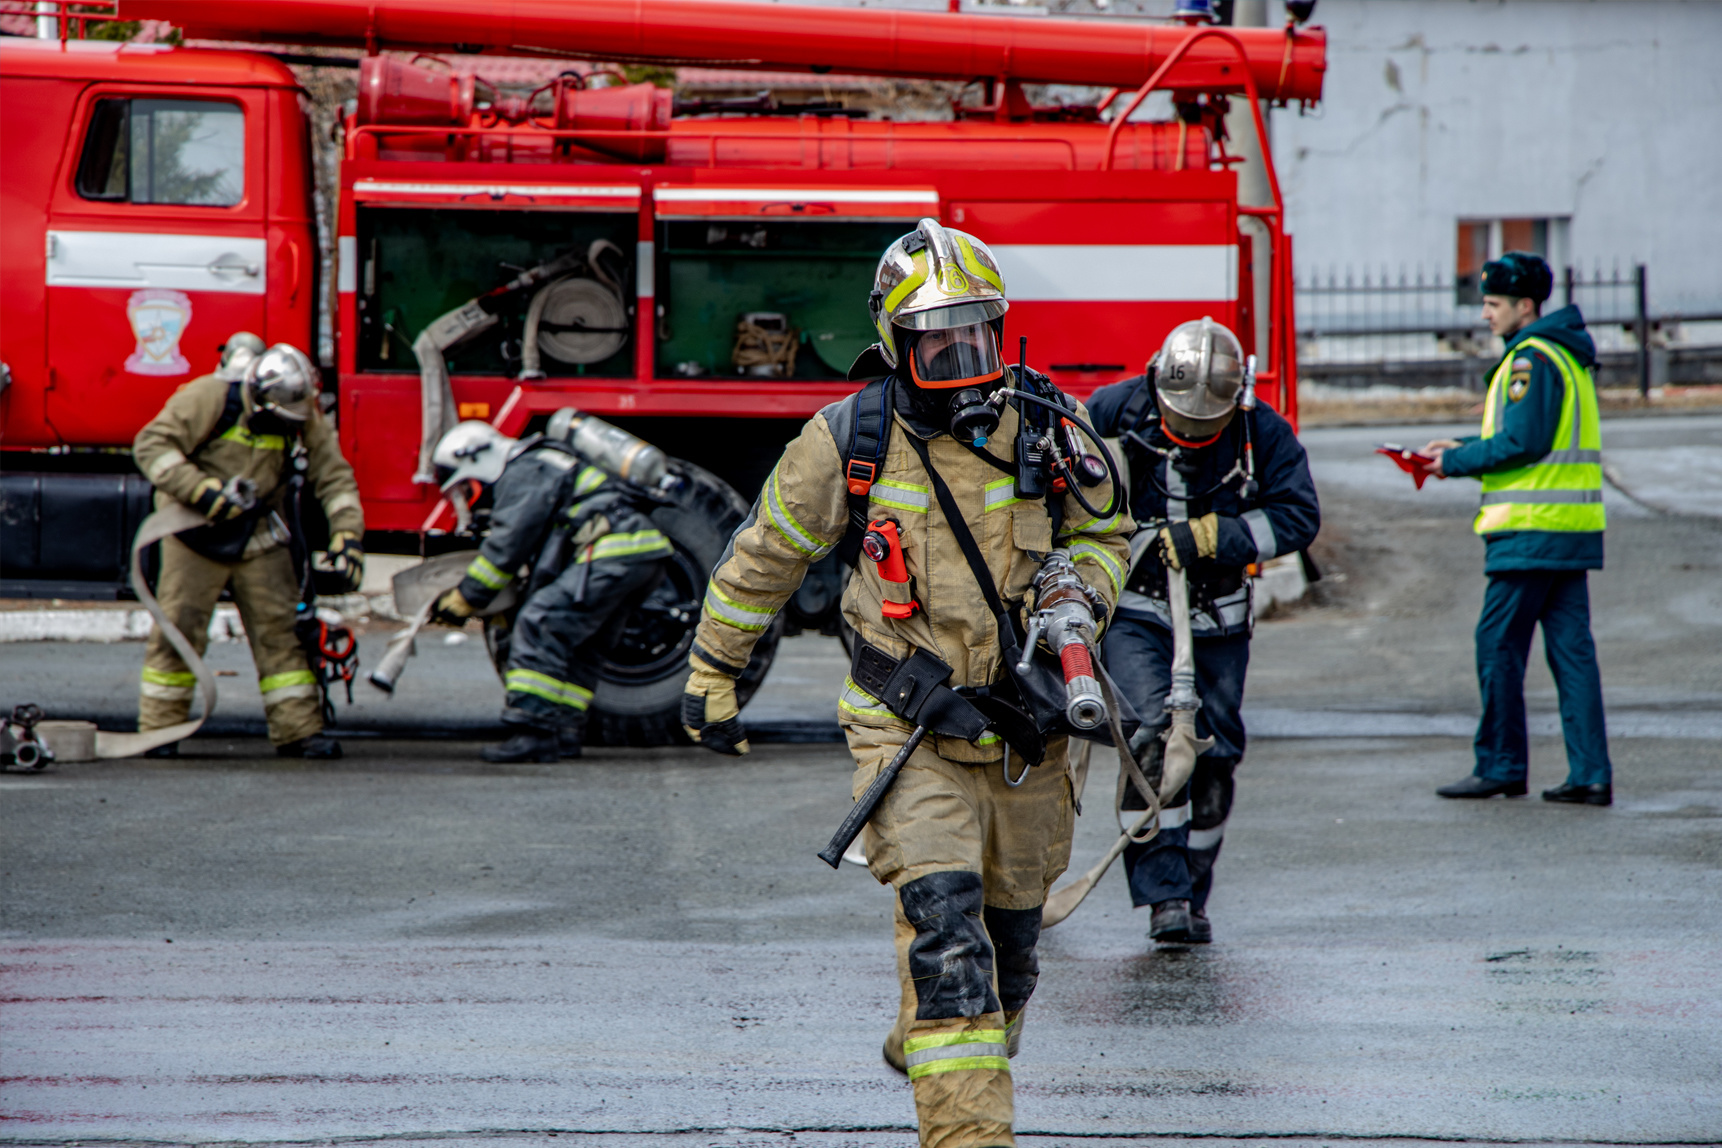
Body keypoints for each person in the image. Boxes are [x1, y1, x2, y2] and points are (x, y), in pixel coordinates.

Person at [681, 218, 1132, 1147]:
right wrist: (712, 670)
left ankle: (938, 1035)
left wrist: (1080, 595)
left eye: (978, 336)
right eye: (939, 346)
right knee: (946, 934)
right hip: (908, 730)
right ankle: (969, 1134)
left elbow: (1107, 533)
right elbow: (765, 555)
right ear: (897, 347)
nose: (965, 363)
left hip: (1026, 740)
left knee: (1009, 958)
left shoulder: (1051, 426)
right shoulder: (850, 439)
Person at [1087, 319, 1320, 945]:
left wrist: (1215, 536)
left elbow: (1298, 516)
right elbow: (1067, 491)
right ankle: (1164, 897)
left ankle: (1194, 888)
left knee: (1214, 754)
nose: (1188, 437)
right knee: (1151, 739)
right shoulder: (1113, 410)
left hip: (1217, 617)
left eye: (1203, 428)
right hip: (1137, 611)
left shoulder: (1260, 432)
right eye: (1178, 423)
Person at [1420, 252, 1612, 805]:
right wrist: (1462, 446)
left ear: (1525, 306)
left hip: (1531, 531)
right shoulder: (1565, 354)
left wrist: (1451, 464)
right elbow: (1526, 435)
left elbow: (1522, 442)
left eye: (1493, 304)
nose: (1485, 314)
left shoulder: (1530, 359)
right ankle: (1591, 773)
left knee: (1497, 643)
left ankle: (1501, 765)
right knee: (1572, 652)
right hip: (1571, 530)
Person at [133, 336, 364, 759]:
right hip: (194, 532)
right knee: (179, 627)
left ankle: (298, 731)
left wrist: (347, 536)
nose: (290, 430)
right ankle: (161, 731)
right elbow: (152, 446)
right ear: (258, 397)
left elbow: (334, 477)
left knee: (281, 631)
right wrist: (201, 490)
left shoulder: (299, 410)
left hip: (258, 535)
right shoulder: (209, 397)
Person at [429, 411, 675, 763]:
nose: (473, 496)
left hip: (613, 554)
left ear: (474, 459)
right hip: (643, 555)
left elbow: (507, 547)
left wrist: (465, 598)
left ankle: (533, 732)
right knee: (583, 644)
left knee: (540, 622)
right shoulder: (546, 460)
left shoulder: (525, 470)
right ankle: (564, 731)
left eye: (468, 486)